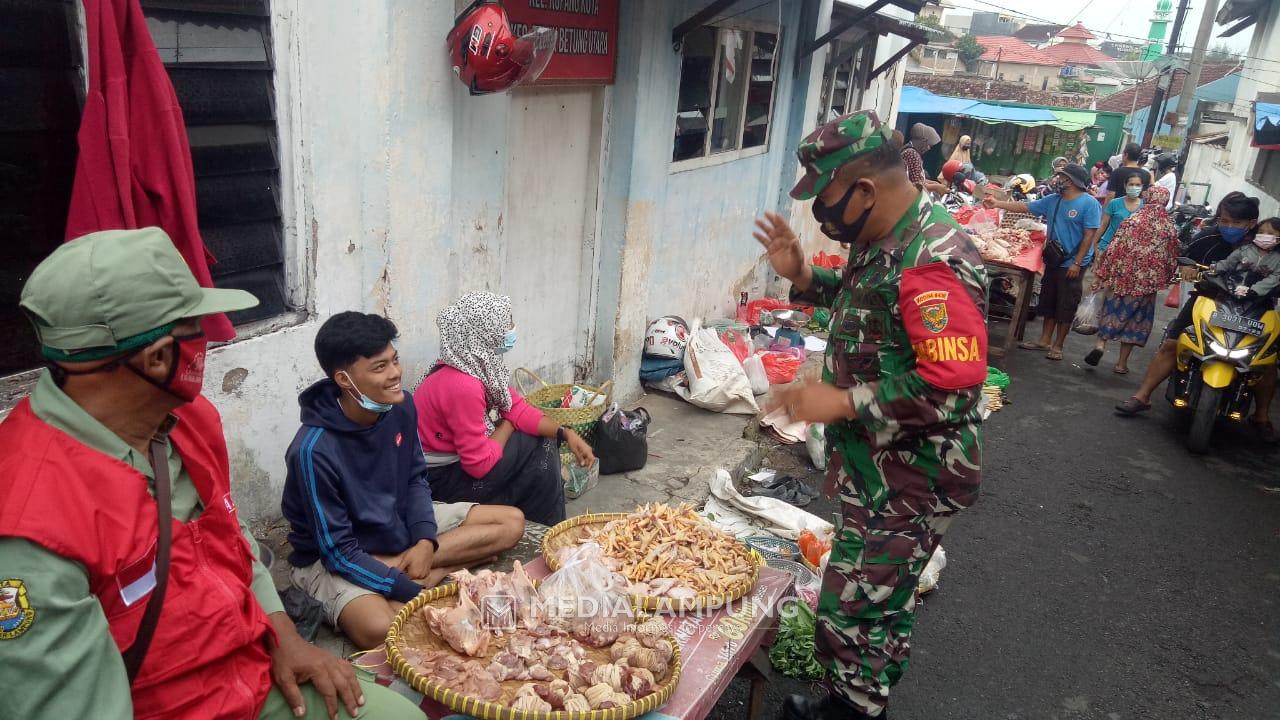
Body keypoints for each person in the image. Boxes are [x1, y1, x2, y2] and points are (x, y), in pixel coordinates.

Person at [0, 228, 421, 719]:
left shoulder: (189, 421)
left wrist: (284, 636)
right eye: (197, 327)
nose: (213, 338)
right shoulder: (28, 524)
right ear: (158, 358)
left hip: (254, 674)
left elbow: (231, 534)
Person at [754, 110, 988, 720]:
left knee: (864, 607)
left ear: (864, 190)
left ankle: (854, 709)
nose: (819, 216)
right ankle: (847, 699)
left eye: (824, 200)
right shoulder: (883, 237)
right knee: (856, 597)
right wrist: (804, 275)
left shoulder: (933, 257)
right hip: (877, 465)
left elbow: (954, 386)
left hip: (915, 474)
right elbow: (868, 304)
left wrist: (843, 400)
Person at [281, 312, 524, 650]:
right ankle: (421, 576)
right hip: (335, 554)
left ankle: (416, 569)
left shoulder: (401, 406)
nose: (395, 373)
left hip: (396, 527)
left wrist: (425, 541)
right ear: (343, 379)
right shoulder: (313, 450)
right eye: (379, 367)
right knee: (383, 627)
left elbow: (414, 479)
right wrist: (409, 589)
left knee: (511, 522)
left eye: (394, 360)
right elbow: (337, 550)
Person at [414, 291, 594, 527]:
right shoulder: (463, 385)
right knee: (537, 443)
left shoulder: (476, 365)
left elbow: (518, 408)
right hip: (438, 481)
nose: (511, 328)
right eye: (506, 323)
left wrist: (566, 433)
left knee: (543, 436)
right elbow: (477, 465)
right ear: (485, 333)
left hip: (453, 464)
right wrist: (508, 424)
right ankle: (547, 527)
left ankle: (539, 522)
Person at [1115, 192, 1278, 443]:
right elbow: (1185, 258)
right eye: (1224, 221)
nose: (1229, 227)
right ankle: (1142, 396)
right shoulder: (1208, 237)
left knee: (1266, 359)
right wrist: (1187, 267)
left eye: (1236, 223)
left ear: (1251, 222)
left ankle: (1261, 416)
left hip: (1257, 309)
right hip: (1209, 300)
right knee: (1173, 343)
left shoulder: (1269, 243)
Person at [985, 163, 1102, 360]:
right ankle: (1044, 340)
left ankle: (1058, 346)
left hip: (1073, 263)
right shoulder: (1054, 200)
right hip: (1055, 259)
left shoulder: (1089, 204)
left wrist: (1078, 262)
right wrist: (997, 203)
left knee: (1066, 305)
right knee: (1049, 301)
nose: (1058, 180)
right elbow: (1026, 207)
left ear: (1072, 181)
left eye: (1062, 177)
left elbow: (1089, 235)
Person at [1085, 186, 1180, 373]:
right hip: (1146, 286)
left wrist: (1102, 274)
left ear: (1148, 197)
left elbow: (1113, 250)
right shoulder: (1169, 228)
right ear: (1165, 201)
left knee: (1111, 312)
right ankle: (1121, 364)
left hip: (1120, 279)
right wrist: (1166, 279)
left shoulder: (1132, 221)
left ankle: (1100, 346)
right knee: (1135, 321)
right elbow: (1172, 258)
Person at [1215, 216, 1280, 299]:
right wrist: (1213, 269)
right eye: (1261, 232)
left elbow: (1274, 278)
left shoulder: (1278, 259)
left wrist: (1255, 290)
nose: (1264, 235)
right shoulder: (1244, 250)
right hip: (1233, 290)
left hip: (1260, 298)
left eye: (1270, 233)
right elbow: (1228, 263)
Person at [1096, 173, 1146, 258]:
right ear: (1125, 185)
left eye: (1138, 185)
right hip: (1107, 246)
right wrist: (1094, 245)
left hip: (1130, 252)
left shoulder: (1145, 206)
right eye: (1131, 184)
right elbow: (1103, 225)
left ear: (1142, 186)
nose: (1134, 187)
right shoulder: (1114, 203)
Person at [902, 122, 947, 194]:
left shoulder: (907, 150)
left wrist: (934, 183)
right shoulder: (912, 154)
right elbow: (916, 185)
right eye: (929, 145)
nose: (929, 148)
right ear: (924, 141)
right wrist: (936, 187)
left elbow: (917, 178)